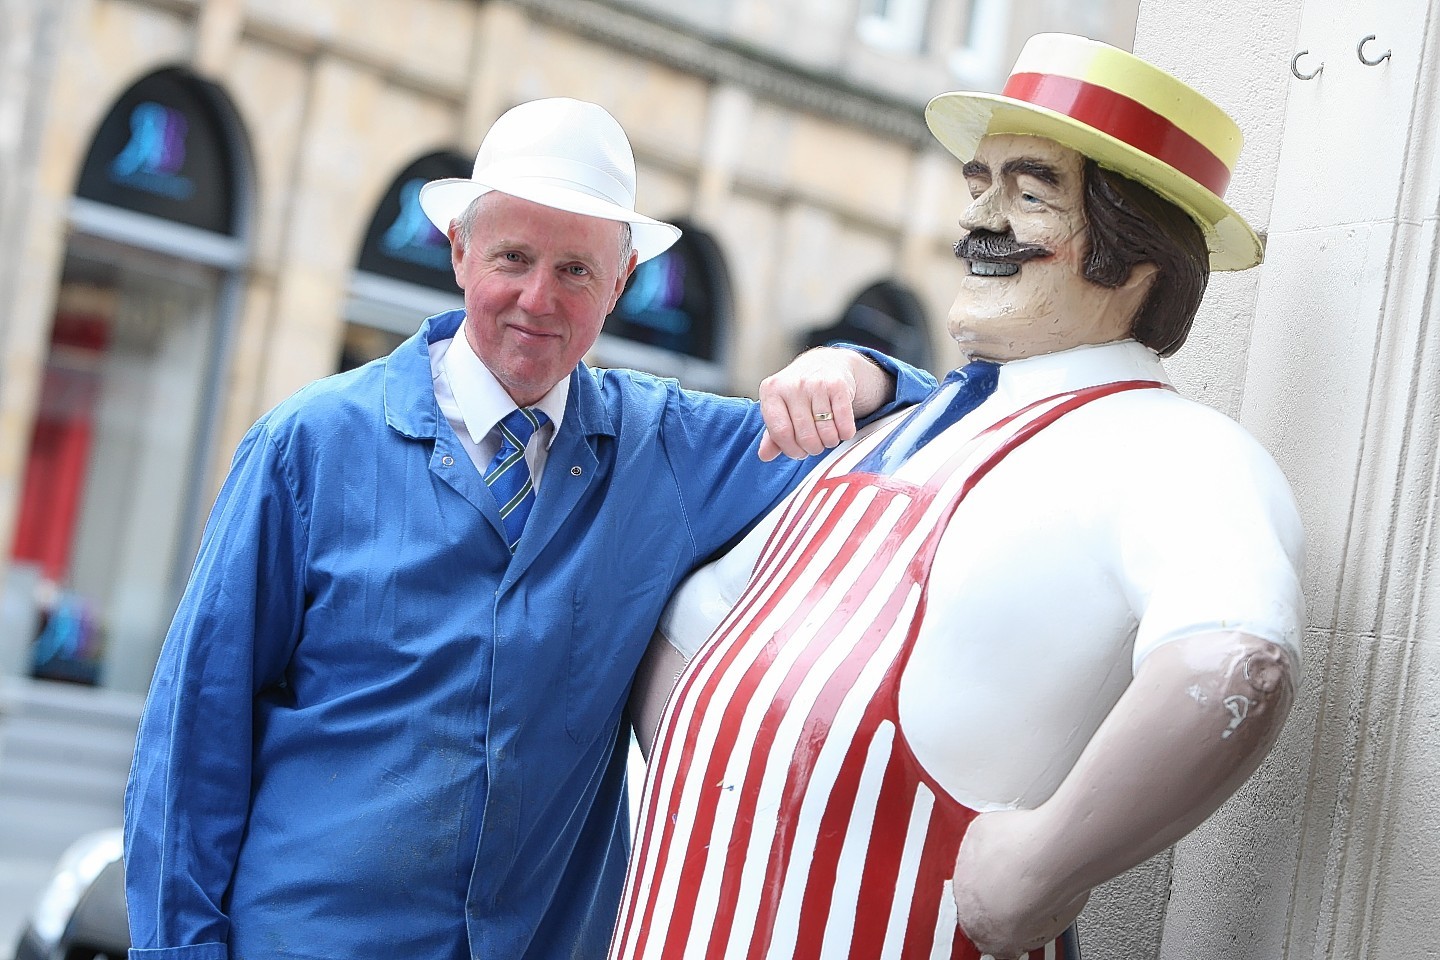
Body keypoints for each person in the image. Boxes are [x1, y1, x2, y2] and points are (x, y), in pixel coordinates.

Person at [122, 97, 934, 960]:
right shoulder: (308, 448)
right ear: (460, 252)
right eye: (513, 257)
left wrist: (852, 368)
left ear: (620, 285)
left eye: (577, 271)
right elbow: (193, 736)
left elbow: (929, 423)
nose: (538, 299)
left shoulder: (665, 450)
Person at [612, 34, 1305, 960]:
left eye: (1030, 193)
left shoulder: (1175, 451)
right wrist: (734, 774)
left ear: (1138, 259)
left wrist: (1039, 870)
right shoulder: (903, 425)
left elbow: (1237, 664)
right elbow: (692, 624)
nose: (981, 216)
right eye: (981, 183)